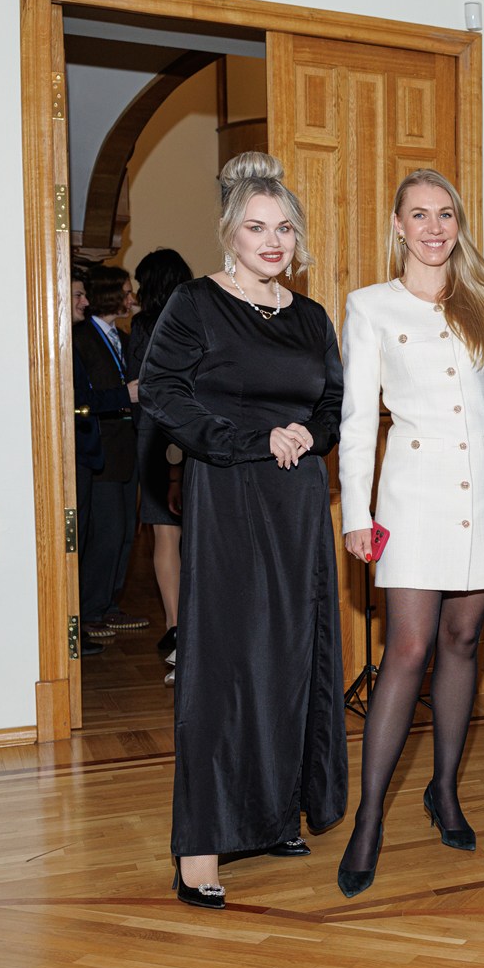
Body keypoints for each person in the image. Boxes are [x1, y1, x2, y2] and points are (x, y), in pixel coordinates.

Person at [141, 151, 347, 909]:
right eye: (257, 227)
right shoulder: (196, 302)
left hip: (298, 502)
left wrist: (307, 433)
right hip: (227, 492)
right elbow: (161, 392)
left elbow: (332, 406)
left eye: (284, 228)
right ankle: (199, 844)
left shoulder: (311, 317)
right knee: (223, 663)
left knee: (288, 656)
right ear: (230, 232)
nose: (272, 240)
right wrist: (250, 439)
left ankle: (272, 815)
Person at [333, 169, 484, 897]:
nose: (434, 227)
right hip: (411, 496)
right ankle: (369, 817)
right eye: (419, 215)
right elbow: (355, 419)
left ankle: (444, 789)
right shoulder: (370, 306)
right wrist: (355, 514)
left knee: (463, 640)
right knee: (407, 648)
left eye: (446, 215)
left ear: (458, 224)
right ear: (398, 225)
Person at [127, 248, 193, 683]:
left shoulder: (143, 326)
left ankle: (175, 629)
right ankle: (201, 630)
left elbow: (141, 385)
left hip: (155, 434)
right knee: (200, 535)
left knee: (165, 536)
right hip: (197, 430)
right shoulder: (197, 316)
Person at [73, 263, 149, 635]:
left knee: (124, 533)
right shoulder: (79, 338)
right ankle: (90, 610)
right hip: (100, 450)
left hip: (126, 449)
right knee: (105, 533)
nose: (132, 298)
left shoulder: (122, 336)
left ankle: (110, 605)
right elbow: (79, 398)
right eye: (126, 291)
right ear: (109, 295)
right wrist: (125, 395)